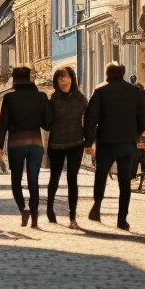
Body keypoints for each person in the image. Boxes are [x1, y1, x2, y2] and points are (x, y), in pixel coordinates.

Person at [85, 62, 145, 231]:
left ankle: (97, 208)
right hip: (127, 143)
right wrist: (136, 133)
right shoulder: (134, 91)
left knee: (100, 176)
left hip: (107, 143)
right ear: (122, 73)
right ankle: (122, 219)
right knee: (125, 182)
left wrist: (89, 141)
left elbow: (91, 118)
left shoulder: (100, 91)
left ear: (107, 73)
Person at [0, 66, 53, 228]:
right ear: (30, 79)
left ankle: (23, 209)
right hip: (35, 143)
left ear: (14, 80)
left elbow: (3, 123)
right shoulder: (41, 97)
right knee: (33, 181)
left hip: (16, 144)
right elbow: (47, 124)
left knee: (16, 181)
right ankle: (34, 217)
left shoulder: (9, 98)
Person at [44, 66, 87, 228]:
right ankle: (49, 209)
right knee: (54, 178)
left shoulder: (80, 98)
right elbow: (47, 124)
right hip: (56, 144)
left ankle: (72, 216)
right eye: (60, 78)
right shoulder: (52, 99)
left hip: (76, 142)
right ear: (56, 81)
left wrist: (88, 139)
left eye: (66, 77)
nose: (64, 81)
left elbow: (89, 118)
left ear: (72, 79)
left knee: (72, 179)